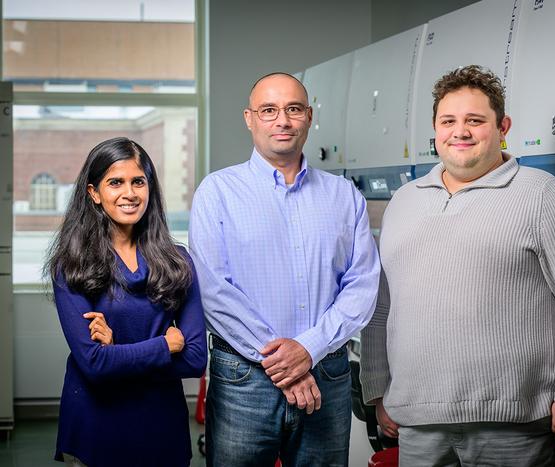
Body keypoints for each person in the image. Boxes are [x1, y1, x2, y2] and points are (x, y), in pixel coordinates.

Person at [360, 65, 555, 466]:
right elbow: (380, 306)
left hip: (513, 426)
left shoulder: (543, 196)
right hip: (419, 422)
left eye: (475, 120)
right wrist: (377, 388)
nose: (460, 131)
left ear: (502, 126)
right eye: (449, 121)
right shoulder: (404, 201)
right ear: (435, 128)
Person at [188, 72, 380, 467]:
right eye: (269, 110)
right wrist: (286, 363)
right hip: (244, 380)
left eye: (293, 109)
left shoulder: (344, 196)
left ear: (308, 117)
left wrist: (308, 349)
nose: (282, 121)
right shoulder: (217, 192)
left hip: (326, 374)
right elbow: (212, 290)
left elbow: (362, 285)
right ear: (249, 118)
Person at [46, 137, 207, 467]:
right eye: (115, 182)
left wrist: (118, 348)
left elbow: (194, 359)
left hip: (161, 425)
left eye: (138, 181)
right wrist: (164, 344)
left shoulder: (178, 261)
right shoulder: (72, 263)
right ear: (94, 193)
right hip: (96, 425)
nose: (129, 193)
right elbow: (94, 366)